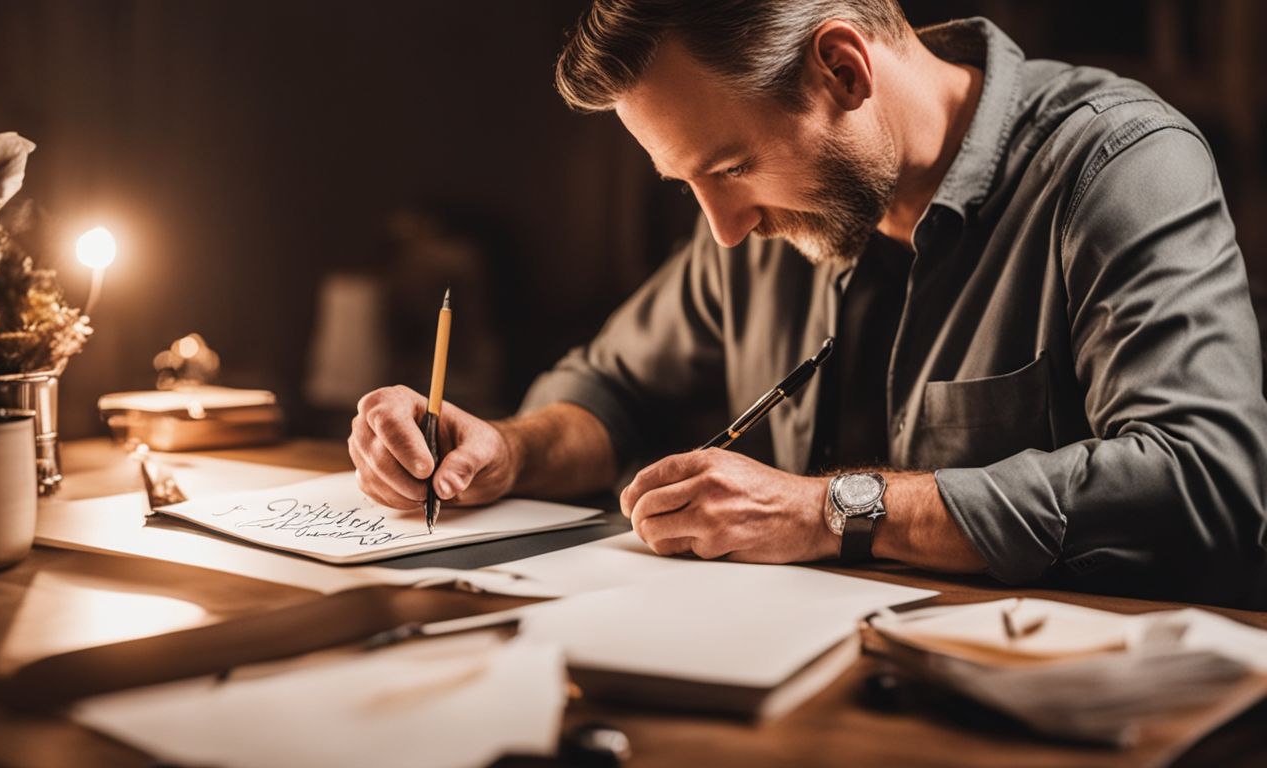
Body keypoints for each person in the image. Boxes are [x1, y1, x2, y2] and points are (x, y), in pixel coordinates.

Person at [348, 1, 1267, 608]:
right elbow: (611, 387)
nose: (725, 232)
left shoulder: (1118, 164)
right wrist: (506, 451)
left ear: (842, 70)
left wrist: (832, 510)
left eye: (731, 167)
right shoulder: (783, 215)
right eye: (688, 185)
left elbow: (1206, 485)